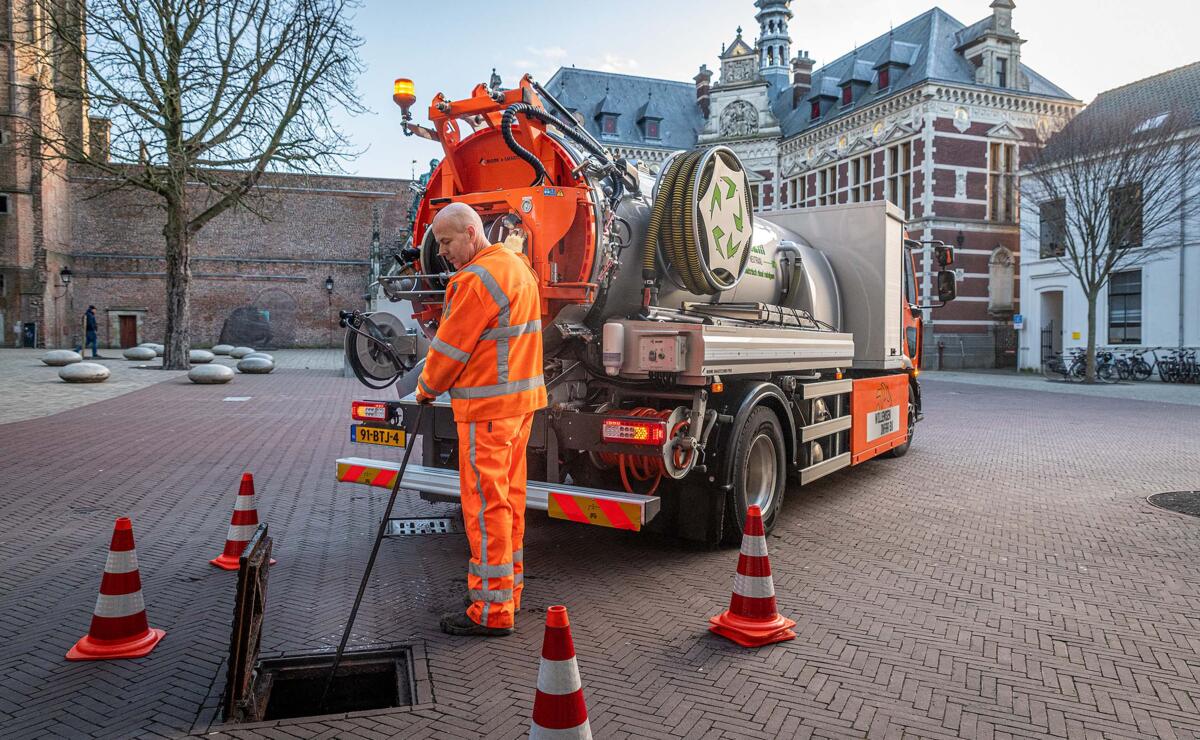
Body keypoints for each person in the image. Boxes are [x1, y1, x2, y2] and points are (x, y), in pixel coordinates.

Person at [415, 202, 545, 637]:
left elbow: (450, 350)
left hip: (486, 413)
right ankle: (509, 592)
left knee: (486, 507)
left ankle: (490, 611)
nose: (444, 252)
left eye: (448, 242)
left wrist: (425, 389)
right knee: (508, 502)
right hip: (519, 408)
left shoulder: (474, 281)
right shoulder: (517, 266)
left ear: (472, 233)